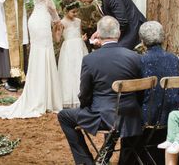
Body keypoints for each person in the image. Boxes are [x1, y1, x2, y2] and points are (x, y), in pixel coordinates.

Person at [57, 16, 144, 165]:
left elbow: (85, 92)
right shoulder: (134, 57)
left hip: (103, 116)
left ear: (98, 34)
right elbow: (140, 91)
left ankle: (86, 161)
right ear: (119, 34)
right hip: (132, 115)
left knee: (64, 116)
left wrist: (85, 106)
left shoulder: (90, 59)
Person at [0, 0, 62, 118]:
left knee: (39, 55)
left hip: (36, 18)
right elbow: (50, 3)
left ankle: (41, 96)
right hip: (42, 18)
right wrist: (57, 19)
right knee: (43, 54)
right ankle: (42, 98)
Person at [119, 21, 179, 164]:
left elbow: (138, 94)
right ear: (163, 37)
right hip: (172, 116)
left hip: (148, 118)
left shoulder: (141, 60)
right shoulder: (173, 58)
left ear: (142, 41)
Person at [71, 0, 146, 50]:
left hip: (133, 30)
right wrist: (99, 32)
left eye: (81, 0)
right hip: (124, 30)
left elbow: (123, 21)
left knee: (114, 54)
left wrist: (104, 36)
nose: (83, 2)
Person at [54, 0, 88, 108]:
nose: (76, 14)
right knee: (69, 71)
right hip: (68, 49)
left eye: (77, 11)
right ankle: (69, 97)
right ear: (65, 11)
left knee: (79, 69)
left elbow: (80, 33)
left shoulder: (78, 21)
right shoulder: (62, 22)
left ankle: (82, 96)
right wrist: (55, 29)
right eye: (73, 12)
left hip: (79, 47)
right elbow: (58, 40)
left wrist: (83, 37)